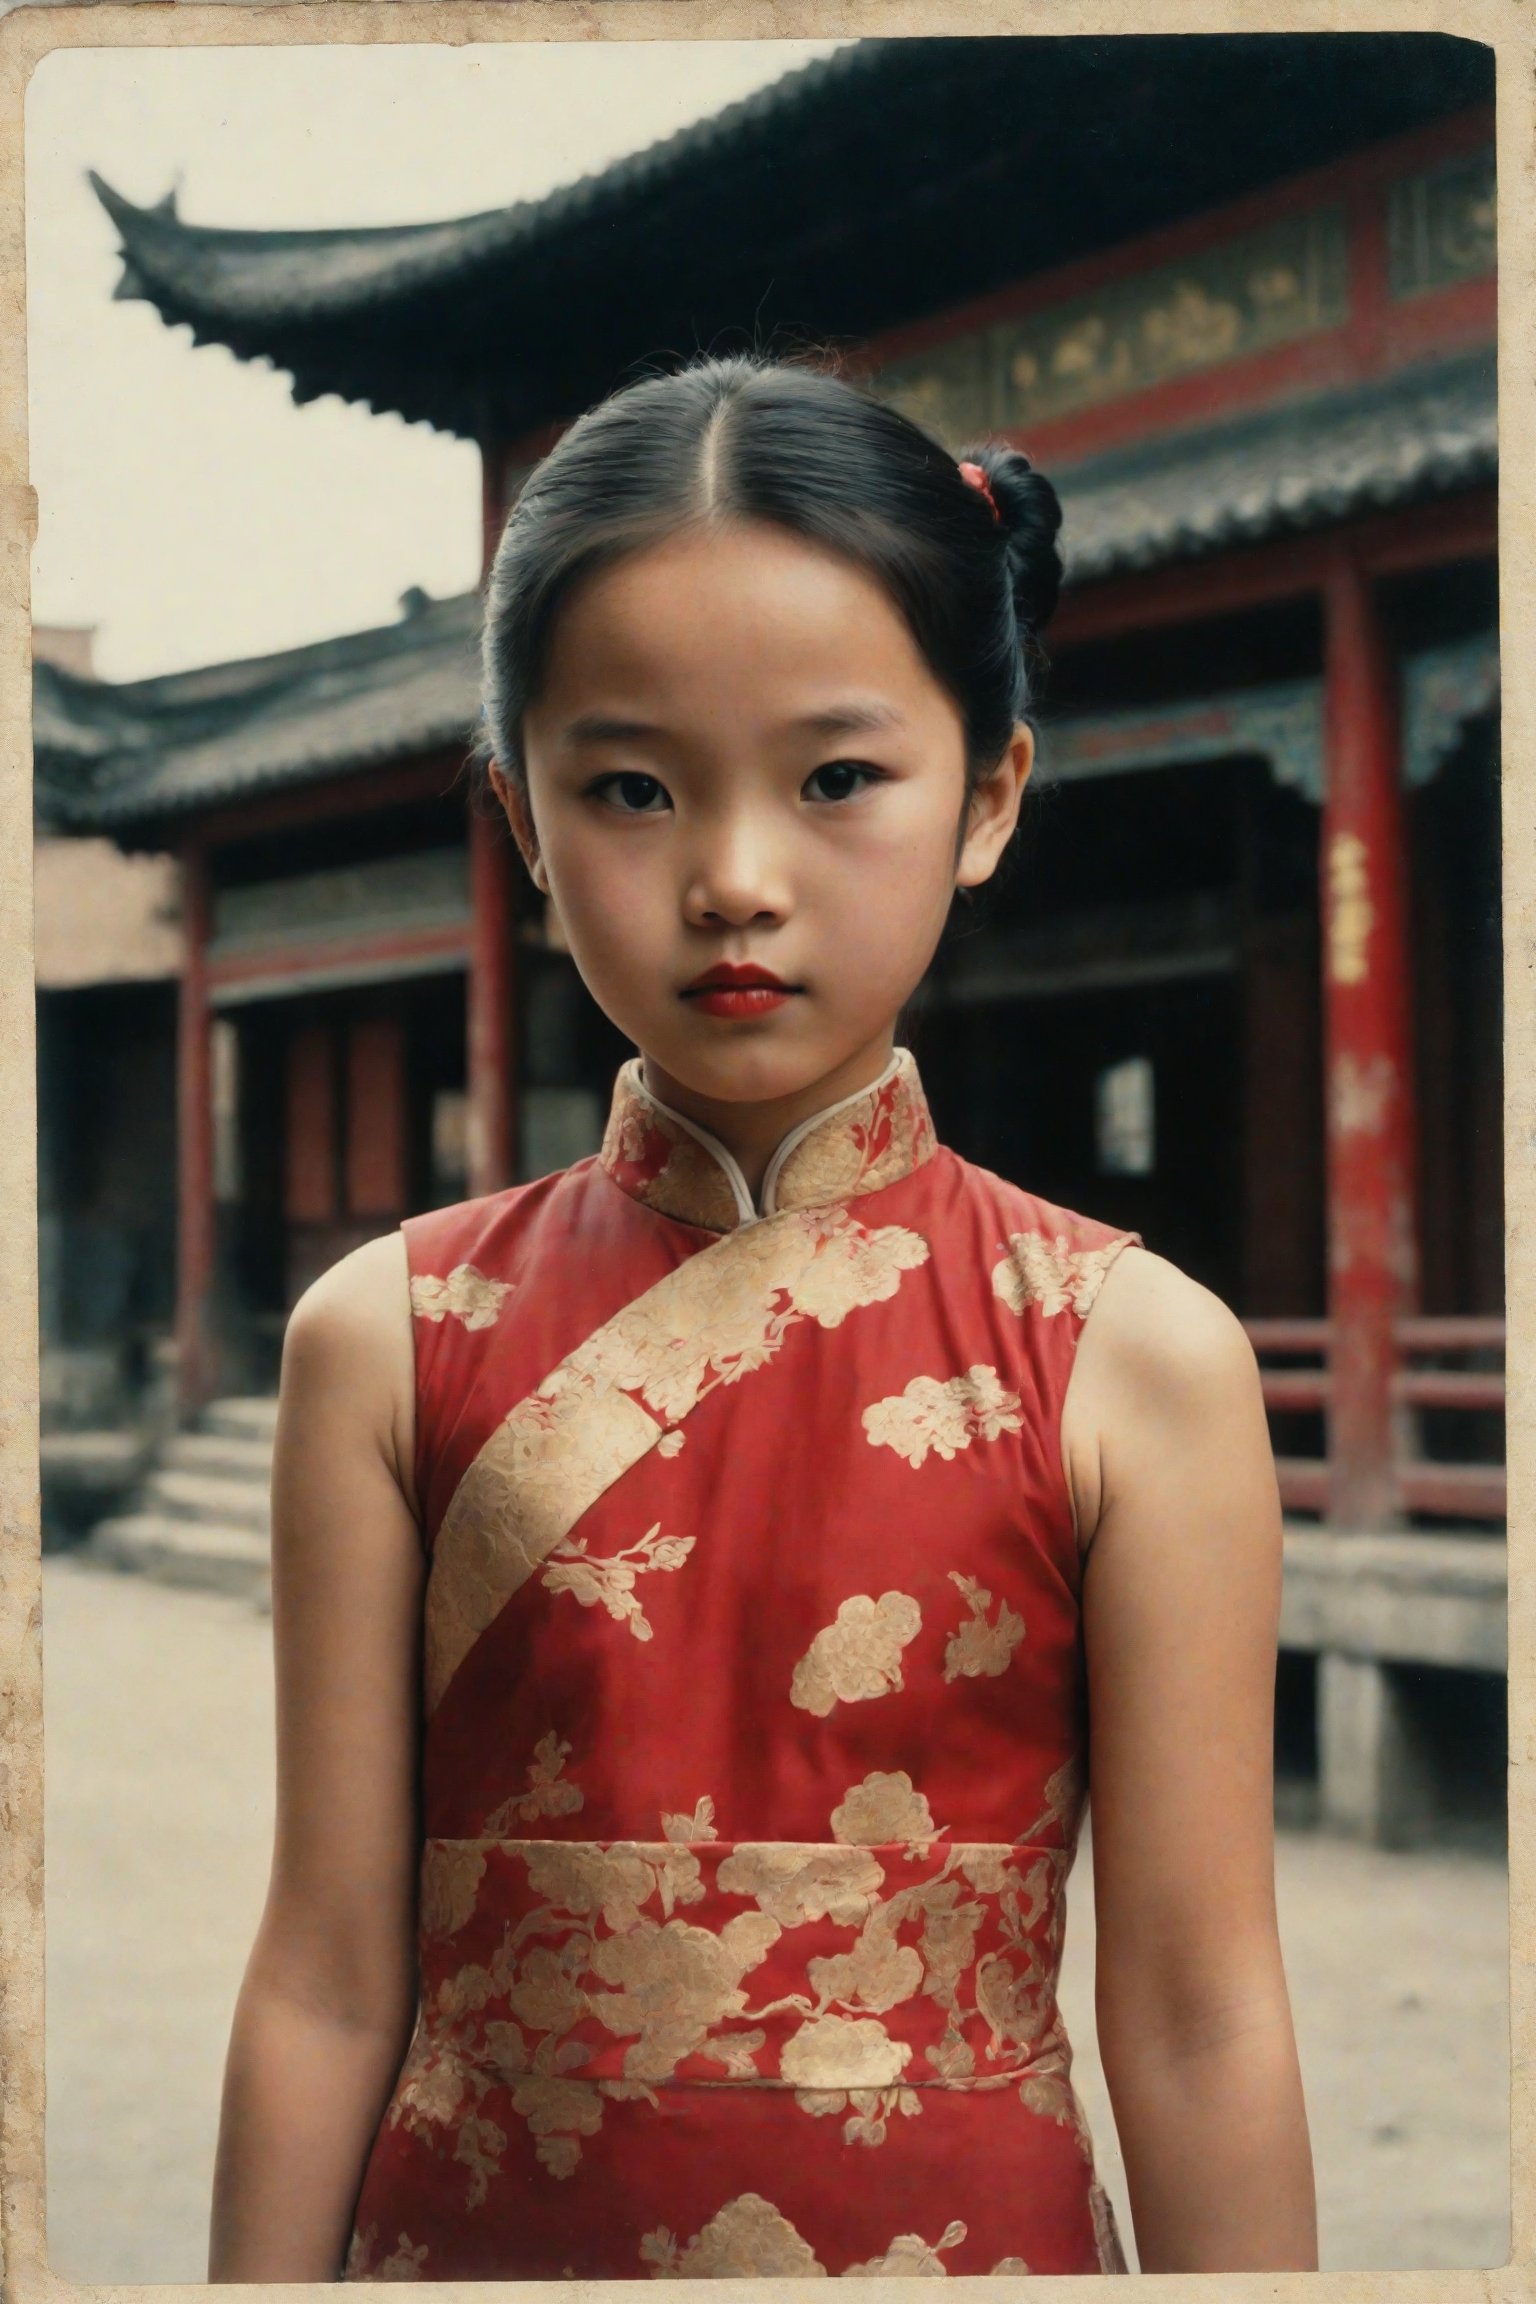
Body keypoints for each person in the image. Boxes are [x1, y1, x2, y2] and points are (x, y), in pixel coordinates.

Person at [207, 353, 1316, 2281]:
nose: (734, 878)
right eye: (631, 788)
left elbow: (1201, 2018)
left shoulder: (1134, 1358)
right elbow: (321, 1975)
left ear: (988, 797)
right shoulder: (384, 1339)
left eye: (837, 780)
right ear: (525, 820)